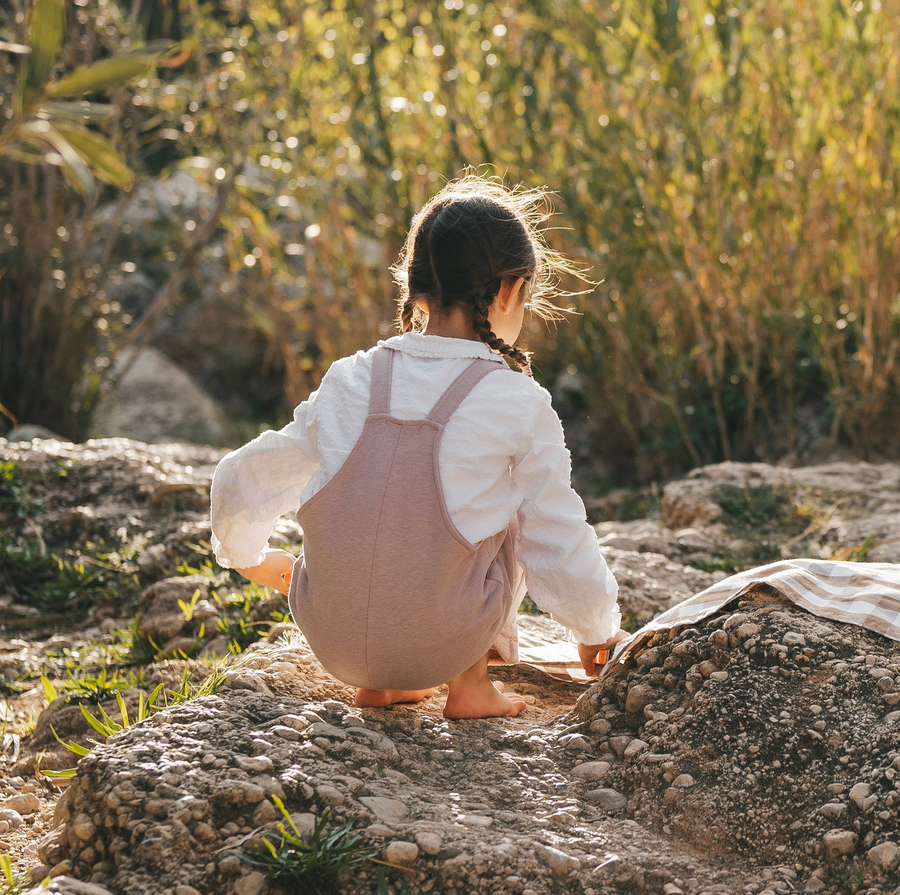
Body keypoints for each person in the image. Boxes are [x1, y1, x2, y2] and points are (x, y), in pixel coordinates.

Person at [209, 175, 625, 718]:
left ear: (417, 286)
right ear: (508, 290)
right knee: (513, 511)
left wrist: (251, 559)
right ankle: (470, 688)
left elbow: (247, 473)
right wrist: (597, 629)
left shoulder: (351, 378)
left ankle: (381, 687)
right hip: (441, 642)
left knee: (367, 494)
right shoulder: (515, 399)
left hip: (332, 642)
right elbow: (557, 532)